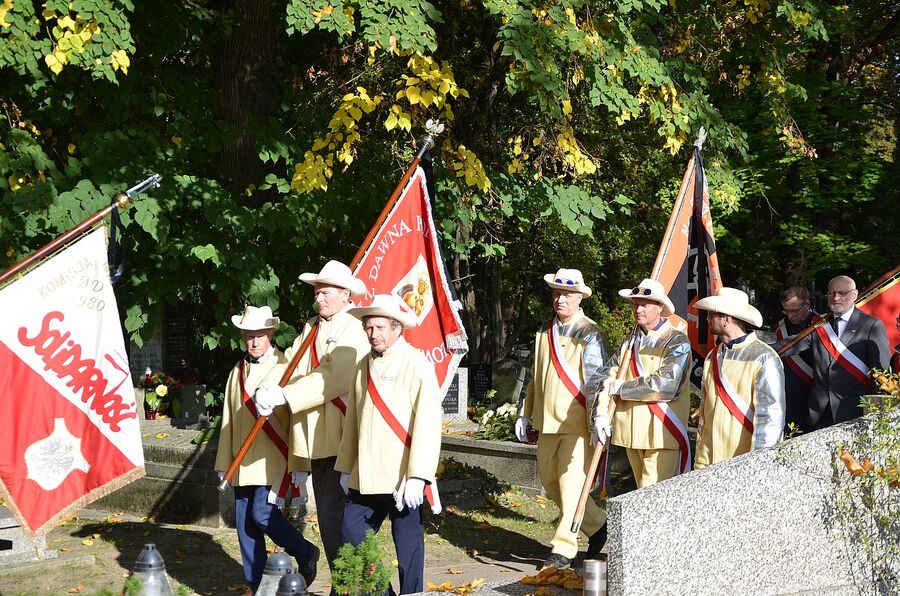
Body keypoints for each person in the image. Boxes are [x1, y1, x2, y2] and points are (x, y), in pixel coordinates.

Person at [253, 260, 370, 572]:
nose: (318, 297)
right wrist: (267, 386)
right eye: (317, 292)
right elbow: (290, 363)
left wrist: (286, 395)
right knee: (332, 520)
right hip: (316, 440)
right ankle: (346, 583)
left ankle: (354, 585)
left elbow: (335, 375)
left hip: (344, 439)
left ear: (346, 294)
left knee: (341, 520)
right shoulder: (311, 327)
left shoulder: (356, 328)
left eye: (325, 291)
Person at [335, 294, 442, 595]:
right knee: (352, 534)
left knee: (408, 549)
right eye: (369, 328)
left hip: (402, 476)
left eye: (380, 327)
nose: (373, 334)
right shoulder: (362, 365)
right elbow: (354, 420)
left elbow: (428, 422)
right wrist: (346, 467)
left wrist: (419, 474)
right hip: (365, 474)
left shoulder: (416, 363)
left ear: (397, 327)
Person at [214, 306, 319, 594]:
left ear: (271, 333)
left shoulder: (286, 365)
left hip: (273, 456)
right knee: (245, 523)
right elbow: (228, 420)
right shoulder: (236, 371)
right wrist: (224, 460)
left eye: (260, 335)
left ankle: (305, 550)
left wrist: (300, 460)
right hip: (242, 459)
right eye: (249, 335)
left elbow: (298, 416)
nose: (254, 341)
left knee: (262, 515)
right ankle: (256, 583)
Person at [515, 268, 609, 569]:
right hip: (547, 421)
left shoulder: (591, 333)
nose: (560, 299)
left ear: (580, 298)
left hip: (576, 422)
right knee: (550, 480)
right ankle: (597, 525)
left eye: (567, 294)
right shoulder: (544, 331)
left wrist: (598, 418)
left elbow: (597, 381)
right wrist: (523, 411)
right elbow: (532, 376)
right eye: (556, 293)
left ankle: (564, 548)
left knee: (571, 484)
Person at [592, 278, 691, 488]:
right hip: (631, 431)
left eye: (644, 304)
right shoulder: (630, 341)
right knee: (641, 493)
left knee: (650, 494)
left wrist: (623, 388)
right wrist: (599, 413)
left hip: (662, 432)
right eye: (635, 304)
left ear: (660, 308)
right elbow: (607, 376)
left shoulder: (677, 341)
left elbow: (667, 385)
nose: (638, 309)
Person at [779, 275, 891, 429]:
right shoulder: (820, 325)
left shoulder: (871, 325)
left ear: (855, 295)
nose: (836, 297)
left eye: (842, 293)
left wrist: (877, 414)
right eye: (831, 293)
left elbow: (882, 374)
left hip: (855, 411)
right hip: (820, 413)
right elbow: (791, 344)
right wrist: (755, 348)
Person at [693, 288, 785, 469]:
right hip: (707, 459)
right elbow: (705, 411)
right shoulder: (713, 356)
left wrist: (758, 465)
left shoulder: (764, 357)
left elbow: (770, 419)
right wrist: (700, 458)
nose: (707, 319)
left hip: (741, 461)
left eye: (712, 315)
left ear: (726, 318)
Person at [775, 285, 818, 434]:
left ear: (807, 304)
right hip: (786, 395)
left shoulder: (821, 325)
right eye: (785, 311)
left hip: (812, 397)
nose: (790, 316)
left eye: (794, 311)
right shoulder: (781, 328)